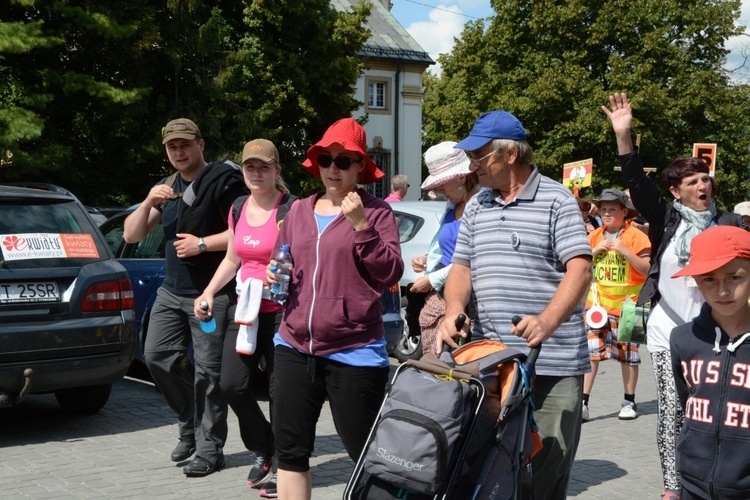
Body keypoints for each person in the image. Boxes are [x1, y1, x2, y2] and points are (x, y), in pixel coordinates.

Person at [437, 110, 593, 499]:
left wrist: (546, 321)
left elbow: (580, 270)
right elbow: (461, 268)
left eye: (480, 155)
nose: (472, 165)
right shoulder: (477, 205)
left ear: (509, 155)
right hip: (495, 364)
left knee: (543, 477)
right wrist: (453, 310)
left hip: (553, 366)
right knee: (493, 474)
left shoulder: (557, 199)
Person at [602, 92, 748, 500]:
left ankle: (718, 478)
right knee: (672, 408)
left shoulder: (731, 223)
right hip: (668, 327)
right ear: (676, 190)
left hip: (716, 333)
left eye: (705, 178)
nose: (702, 185)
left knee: (712, 411)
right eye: (692, 181)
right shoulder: (665, 218)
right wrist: (623, 135)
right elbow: (635, 182)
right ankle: (672, 486)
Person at [265, 117, 403, 499]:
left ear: (361, 166)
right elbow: (284, 262)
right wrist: (275, 278)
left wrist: (361, 227)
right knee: (290, 455)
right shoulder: (298, 211)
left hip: (354, 351)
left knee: (368, 457)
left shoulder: (376, 213)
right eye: (326, 159)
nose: (333, 169)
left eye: (344, 161)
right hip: (293, 345)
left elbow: (390, 272)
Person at [123, 118, 246, 477]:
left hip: (210, 295)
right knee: (155, 356)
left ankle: (210, 451)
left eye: (185, 145)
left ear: (200, 144)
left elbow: (245, 231)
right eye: (172, 147)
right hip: (170, 292)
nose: (179, 152)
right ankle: (189, 422)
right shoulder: (166, 187)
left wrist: (203, 243)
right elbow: (131, 236)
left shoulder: (224, 182)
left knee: (208, 375)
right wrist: (148, 200)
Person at [193, 139, 295, 494]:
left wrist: (282, 272)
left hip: (283, 311)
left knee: (280, 390)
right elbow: (233, 258)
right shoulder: (237, 206)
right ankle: (264, 447)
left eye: (264, 167)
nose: (256, 173)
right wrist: (208, 291)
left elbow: (301, 258)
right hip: (245, 309)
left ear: (276, 171)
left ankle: (285, 461)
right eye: (250, 167)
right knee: (231, 384)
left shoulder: (290, 209)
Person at [669, 226, 750, 500]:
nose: (723, 291)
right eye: (709, 279)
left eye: (734, 277)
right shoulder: (683, 338)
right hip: (694, 485)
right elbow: (686, 404)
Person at [582, 188, 651, 421]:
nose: (606, 213)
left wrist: (625, 252)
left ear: (624, 212)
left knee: (629, 356)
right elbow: (580, 268)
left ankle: (629, 401)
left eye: (612, 209)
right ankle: (583, 402)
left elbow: (647, 270)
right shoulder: (593, 236)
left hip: (632, 305)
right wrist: (593, 252)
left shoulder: (637, 237)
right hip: (597, 306)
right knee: (591, 354)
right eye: (603, 209)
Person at [408, 141, 480, 356]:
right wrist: (428, 258)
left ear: (461, 177)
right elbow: (449, 248)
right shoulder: (452, 206)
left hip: (466, 305)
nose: (438, 190)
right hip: (440, 301)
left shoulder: (482, 207)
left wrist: (433, 279)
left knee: (455, 374)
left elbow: (474, 258)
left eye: (442, 183)